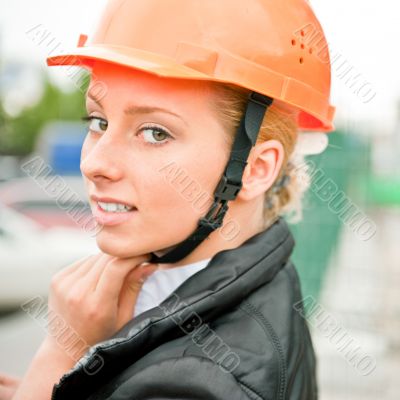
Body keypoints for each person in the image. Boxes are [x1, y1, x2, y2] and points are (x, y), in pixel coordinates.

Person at [2, 0, 335, 399]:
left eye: (155, 132)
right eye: (98, 121)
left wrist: (60, 356)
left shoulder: (198, 384)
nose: (94, 163)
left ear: (254, 168)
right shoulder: (261, 275)